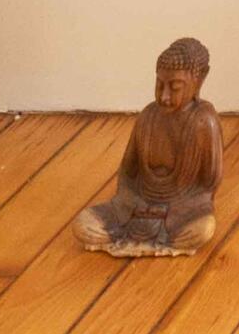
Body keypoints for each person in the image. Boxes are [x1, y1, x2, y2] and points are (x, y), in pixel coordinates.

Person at [76, 37, 223, 256]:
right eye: (159, 85)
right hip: (136, 206)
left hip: (181, 210)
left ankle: (163, 236)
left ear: (197, 82)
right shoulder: (147, 117)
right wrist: (134, 204)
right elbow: (127, 173)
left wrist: (171, 210)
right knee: (83, 224)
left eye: (174, 88)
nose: (164, 96)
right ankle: (143, 235)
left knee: (203, 230)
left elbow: (208, 184)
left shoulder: (204, 122)